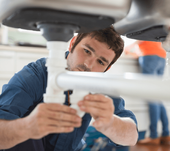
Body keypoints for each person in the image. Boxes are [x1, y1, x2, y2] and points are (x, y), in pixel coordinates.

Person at [0, 26, 138, 151]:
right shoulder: (35, 75)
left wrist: (110, 122)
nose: (88, 65)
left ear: (107, 68)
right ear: (72, 44)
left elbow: (131, 137)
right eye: (87, 51)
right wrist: (27, 127)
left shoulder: (99, 84)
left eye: (100, 62)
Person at [125, 40, 170, 145]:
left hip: (149, 55)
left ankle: (153, 136)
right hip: (162, 56)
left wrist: (127, 48)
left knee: (152, 97)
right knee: (156, 97)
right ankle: (166, 134)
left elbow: (139, 38)